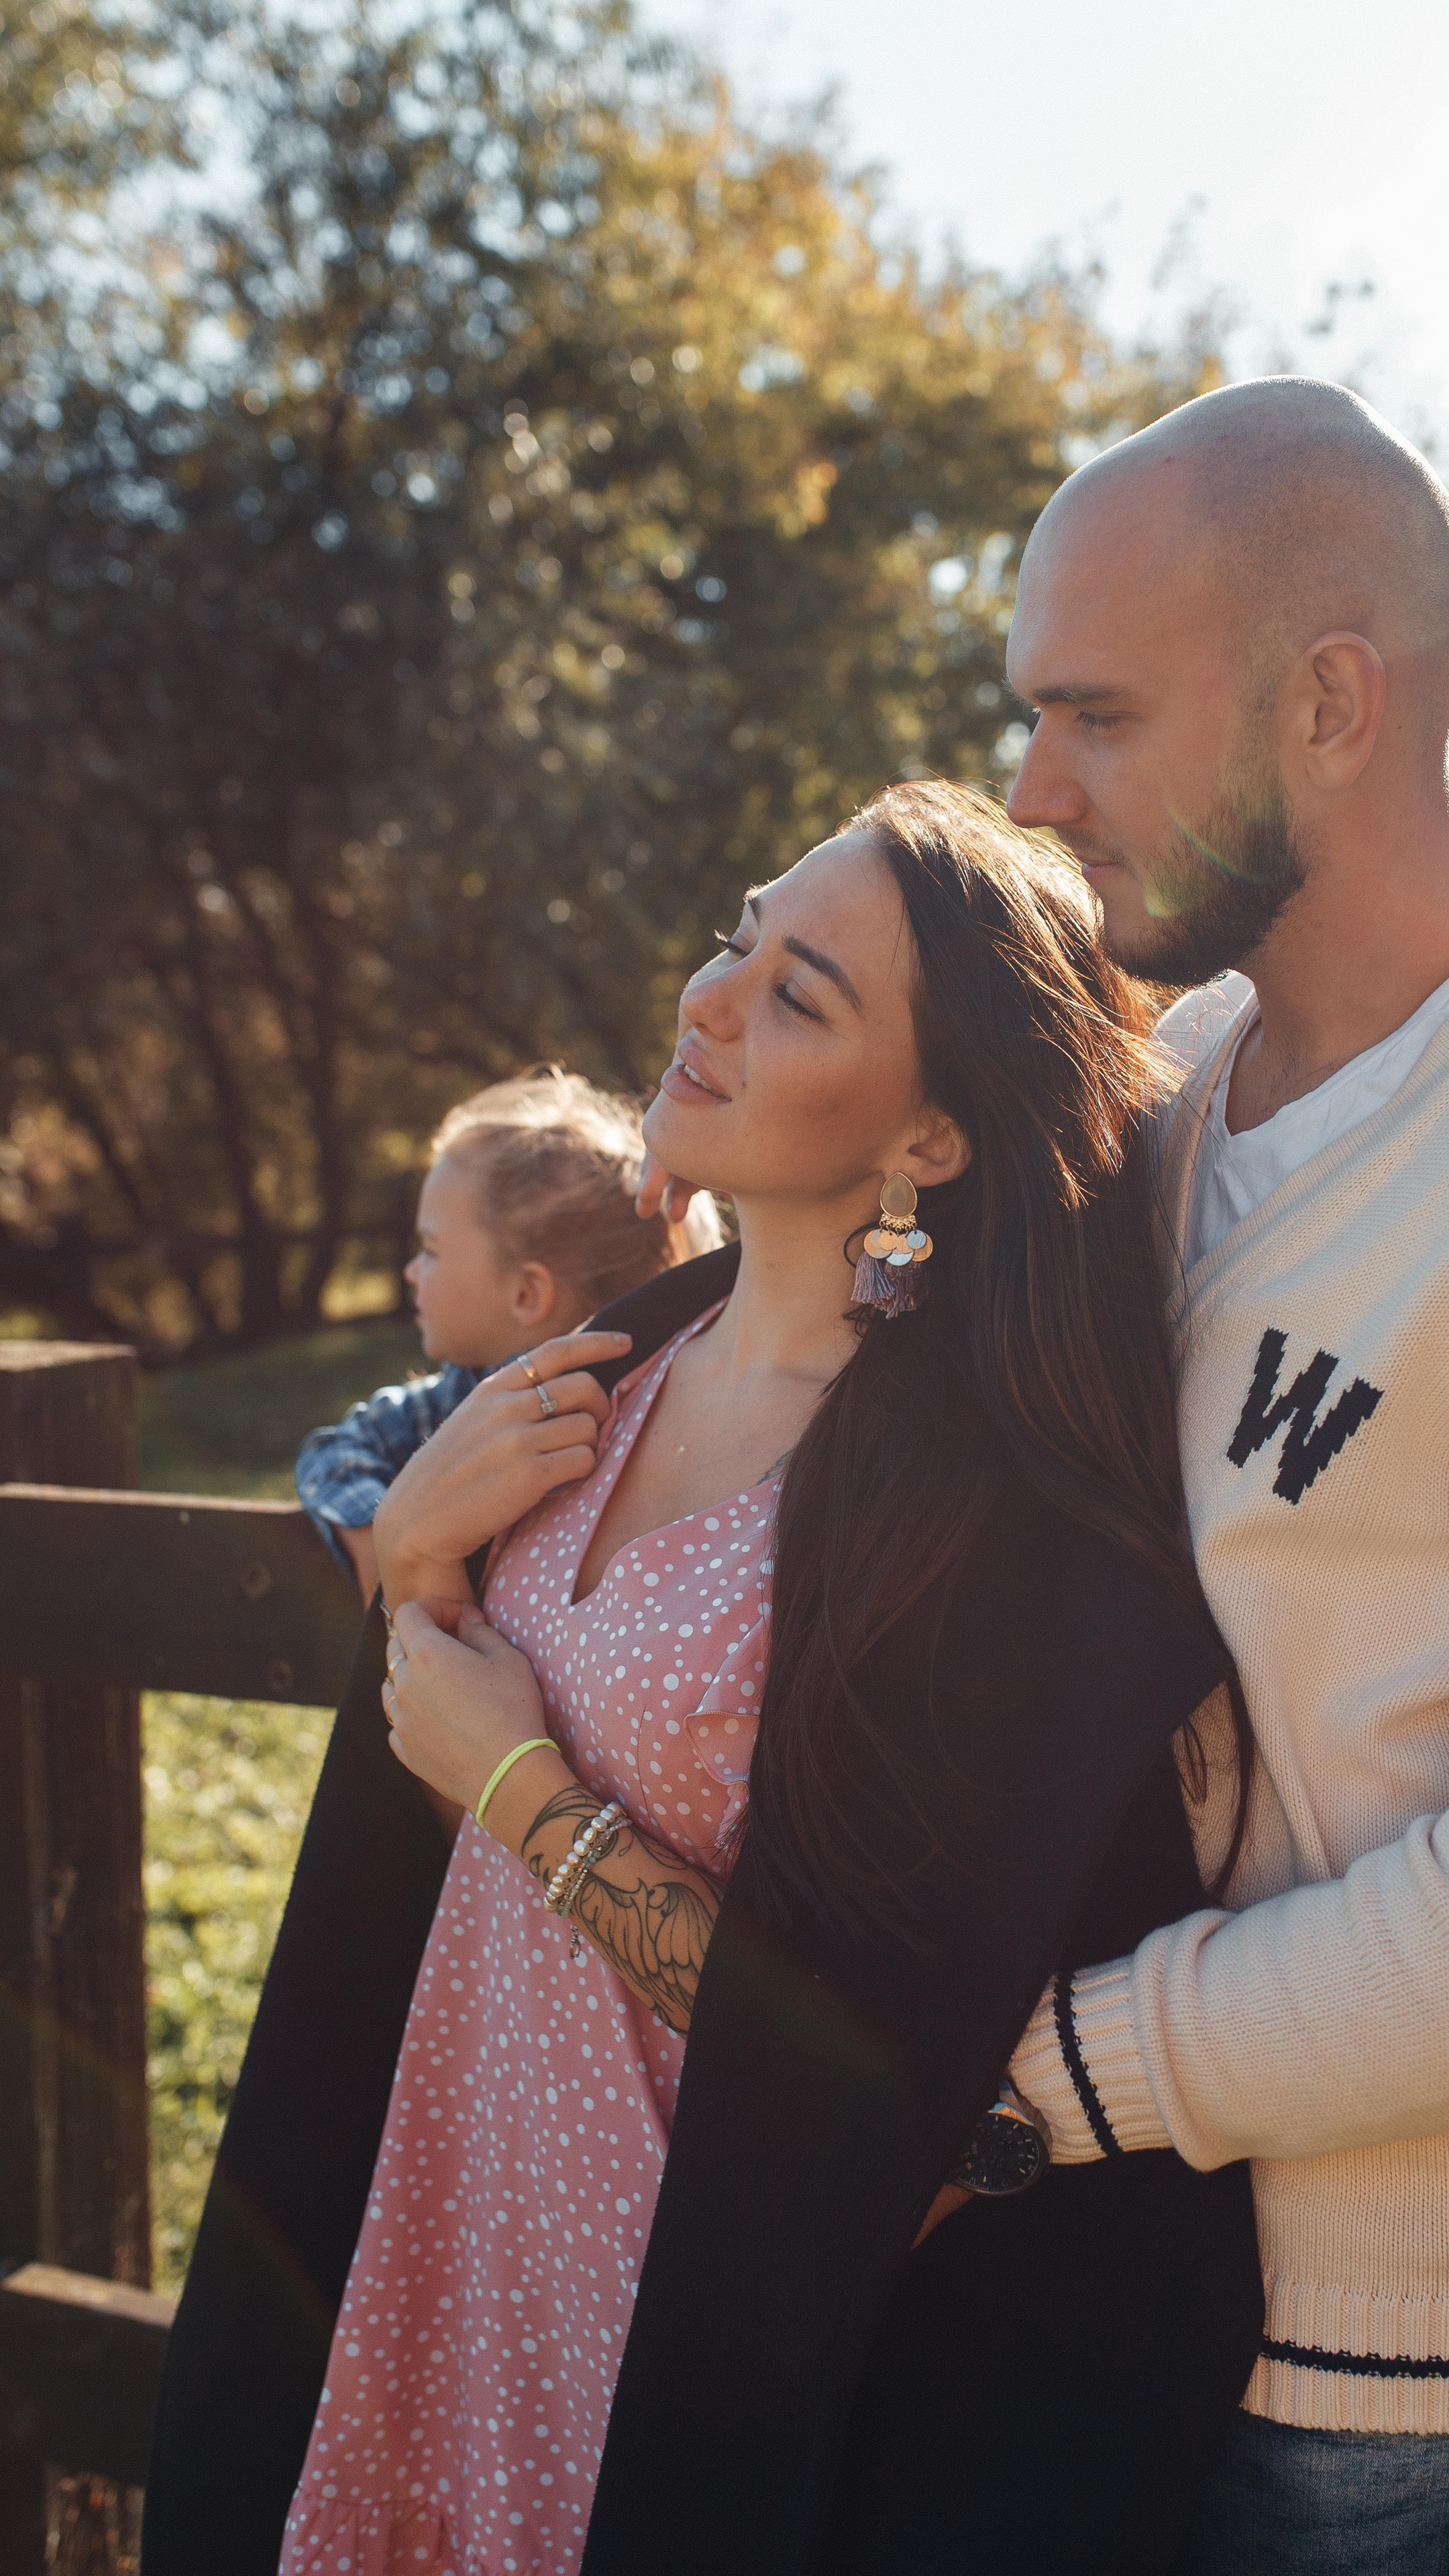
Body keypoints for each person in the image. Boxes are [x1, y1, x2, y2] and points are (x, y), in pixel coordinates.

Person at [142, 783, 1265, 2576]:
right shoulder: (611, 1369)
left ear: (932, 1142)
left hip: (679, 2347)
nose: (710, 997)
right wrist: (419, 1559)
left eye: (801, 995)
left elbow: (888, 2084)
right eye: (742, 936)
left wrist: (527, 1794)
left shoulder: (984, 1516)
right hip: (450, 2231)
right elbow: (424, 1757)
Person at [983, 377, 1449, 2574]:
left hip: (1411, 2420)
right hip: (1140, 2302)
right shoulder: (1181, 1070)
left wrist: (1042, 2078)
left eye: (1095, 717)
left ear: (1329, 701)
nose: (1031, 793)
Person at [294, 1067, 722, 1597]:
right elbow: (337, 1451)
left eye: (430, 1251)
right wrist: (379, 1533)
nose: (411, 1271)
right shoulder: (460, 1396)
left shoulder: (639, 1427)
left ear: (526, 1295)